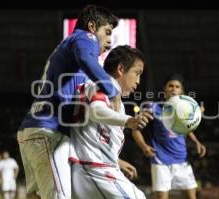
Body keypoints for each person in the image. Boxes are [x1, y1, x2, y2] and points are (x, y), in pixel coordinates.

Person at [17, 5, 145, 199]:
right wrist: (112, 90)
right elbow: (86, 57)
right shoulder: (85, 38)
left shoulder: (71, 60)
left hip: (35, 131)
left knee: (36, 196)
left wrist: (115, 161)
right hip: (48, 131)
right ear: (92, 27)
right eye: (107, 32)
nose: (110, 40)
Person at [69, 45, 152, 199]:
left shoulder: (113, 97)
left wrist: (117, 160)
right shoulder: (104, 85)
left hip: (93, 167)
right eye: (137, 73)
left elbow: (96, 134)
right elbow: (96, 110)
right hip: (94, 168)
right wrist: (129, 121)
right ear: (121, 69)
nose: (138, 81)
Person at [132, 74, 206, 199]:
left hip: (182, 160)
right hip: (160, 160)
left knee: (191, 196)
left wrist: (196, 142)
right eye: (170, 86)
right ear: (164, 89)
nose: (173, 89)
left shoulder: (185, 110)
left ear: (181, 91)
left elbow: (187, 129)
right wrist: (144, 146)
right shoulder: (153, 107)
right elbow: (135, 130)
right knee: (161, 196)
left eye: (177, 87)